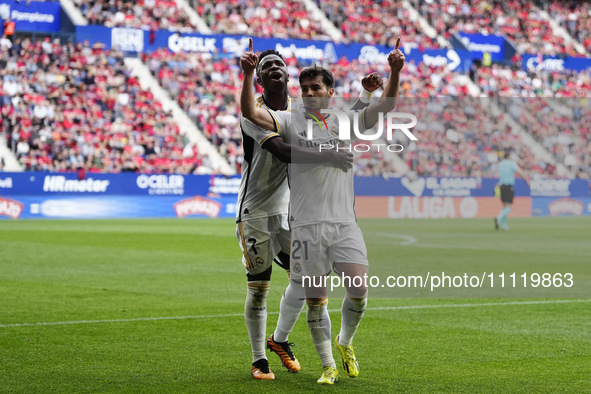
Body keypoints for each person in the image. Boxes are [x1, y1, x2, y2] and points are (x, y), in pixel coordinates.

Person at [240, 37, 405, 384]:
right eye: (305, 88)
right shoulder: (288, 120)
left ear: (330, 92)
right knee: (307, 292)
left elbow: (384, 105)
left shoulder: (343, 121)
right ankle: (324, 363)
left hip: (341, 223)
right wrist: (244, 75)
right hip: (297, 222)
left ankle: (334, 342)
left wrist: (394, 71)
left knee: (356, 288)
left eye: (316, 87)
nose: (309, 92)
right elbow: (252, 114)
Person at [495, 150, 530, 231]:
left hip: (501, 186)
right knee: (509, 207)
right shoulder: (511, 164)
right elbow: (520, 173)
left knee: (504, 206)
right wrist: (527, 181)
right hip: (509, 186)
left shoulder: (500, 164)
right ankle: (498, 217)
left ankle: (504, 225)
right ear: (509, 157)